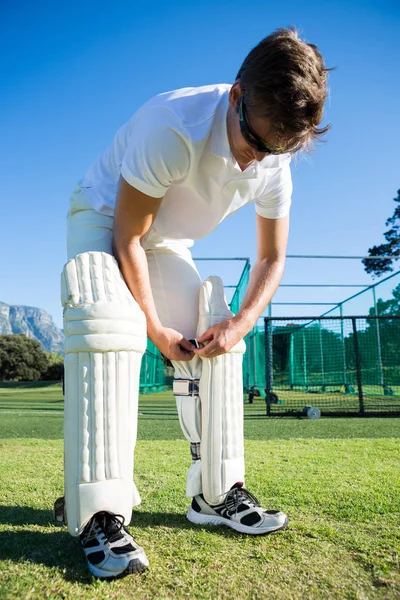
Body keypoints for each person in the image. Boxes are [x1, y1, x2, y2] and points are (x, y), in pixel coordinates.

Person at [61, 27, 329, 579]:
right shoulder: (173, 125)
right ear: (236, 97)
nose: (261, 161)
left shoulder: (275, 159)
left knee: (216, 333)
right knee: (110, 322)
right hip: (107, 218)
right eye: (257, 143)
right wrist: (155, 329)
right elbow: (128, 239)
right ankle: (99, 514)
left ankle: (214, 492)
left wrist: (242, 323)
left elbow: (271, 259)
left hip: (167, 240)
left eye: (280, 149)